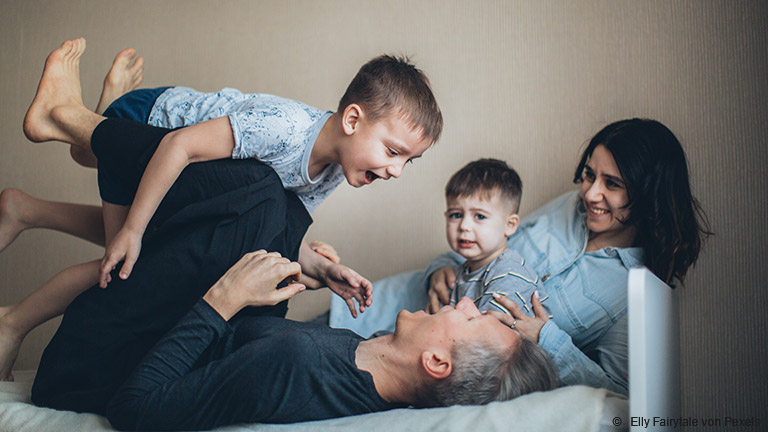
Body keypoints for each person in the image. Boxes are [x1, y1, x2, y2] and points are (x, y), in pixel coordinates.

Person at [0, 37, 443, 380]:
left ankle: (26, 207)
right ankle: (12, 322)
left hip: (178, 168)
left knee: (126, 216)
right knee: (122, 263)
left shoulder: (329, 171)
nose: (396, 171)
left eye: (408, 161)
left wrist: (323, 270)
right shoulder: (285, 129)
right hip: (152, 123)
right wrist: (132, 229)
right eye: (392, 151)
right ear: (351, 120)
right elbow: (178, 147)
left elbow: (278, 229)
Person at [331, 118, 711, 396]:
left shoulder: (638, 289)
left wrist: (549, 340)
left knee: (314, 372)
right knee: (297, 337)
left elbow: (619, 394)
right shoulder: (567, 208)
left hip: (426, 362)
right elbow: (487, 240)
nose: (591, 194)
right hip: (388, 303)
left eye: (612, 184)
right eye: (589, 175)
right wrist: (439, 269)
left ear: (649, 195)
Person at [105, 250, 559, 430]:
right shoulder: (367, 360)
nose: (466, 303)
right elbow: (238, 353)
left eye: (473, 319)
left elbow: (133, 409)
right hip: (157, 323)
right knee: (272, 216)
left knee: (259, 193)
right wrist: (304, 278)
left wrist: (222, 301)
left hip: (108, 358)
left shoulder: (298, 366)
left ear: (438, 362)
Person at [442, 158, 544, 315]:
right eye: (456, 215)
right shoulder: (463, 272)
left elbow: (489, 335)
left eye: (480, 217)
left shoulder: (509, 273)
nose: (464, 226)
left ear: (509, 225)